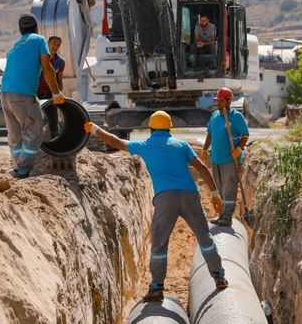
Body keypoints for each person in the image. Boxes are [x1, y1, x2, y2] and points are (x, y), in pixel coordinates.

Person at [84, 111, 228, 302]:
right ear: (169, 128)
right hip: (190, 195)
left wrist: (94, 129)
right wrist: (215, 194)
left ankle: (157, 287)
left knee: (159, 244)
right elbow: (201, 166)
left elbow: (116, 142)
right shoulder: (181, 145)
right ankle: (219, 276)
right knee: (204, 238)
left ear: (150, 128)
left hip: (165, 199)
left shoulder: (145, 146)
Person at [1, 13, 65, 178]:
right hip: (23, 94)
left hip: (5, 93)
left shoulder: (15, 45)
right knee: (35, 131)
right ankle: (22, 169)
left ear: (20, 30)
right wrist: (56, 93)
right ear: (36, 28)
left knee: (15, 133)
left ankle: (17, 167)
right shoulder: (39, 39)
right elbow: (47, 67)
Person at [200, 87, 249, 227]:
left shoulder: (236, 116)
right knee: (220, 189)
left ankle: (227, 218)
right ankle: (221, 214)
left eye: (220, 101)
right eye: (217, 100)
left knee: (229, 189)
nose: (218, 103)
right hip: (215, 159)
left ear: (228, 101)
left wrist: (239, 149)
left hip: (230, 160)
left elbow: (245, 135)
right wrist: (204, 149)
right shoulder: (215, 115)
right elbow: (210, 133)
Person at [37, 36, 65, 139]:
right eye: (53, 43)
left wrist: (59, 94)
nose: (55, 46)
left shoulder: (60, 62)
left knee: (53, 121)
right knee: (36, 120)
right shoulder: (39, 58)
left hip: (50, 94)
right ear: (47, 43)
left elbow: (59, 80)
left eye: (58, 45)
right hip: (36, 93)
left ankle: (55, 144)